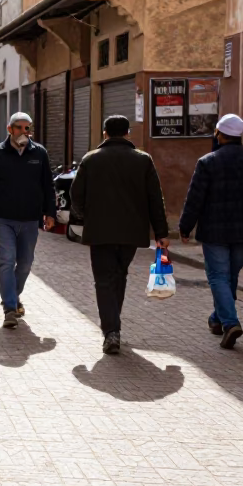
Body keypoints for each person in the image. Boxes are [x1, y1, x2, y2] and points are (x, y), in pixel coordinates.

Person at [70, 116, 170, 355]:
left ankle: (111, 331)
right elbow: (156, 199)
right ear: (127, 133)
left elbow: (75, 197)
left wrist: (87, 216)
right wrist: (161, 232)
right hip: (131, 232)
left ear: (105, 133)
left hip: (100, 231)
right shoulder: (143, 160)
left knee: (104, 280)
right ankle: (113, 327)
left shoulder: (90, 160)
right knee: (119, 275)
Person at [177, 114, 243, 350]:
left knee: (218, 276)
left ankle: (230, 322)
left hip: (215, 231)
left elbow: (194, 199)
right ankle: (217, 319)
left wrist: (185, 227)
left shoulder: (207, 162)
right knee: (229, 276)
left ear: (220, 134)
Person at [0, 113, 56, 329]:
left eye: (27, 128)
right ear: (9, 129)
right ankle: (10, 308)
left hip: (30, 219)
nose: (23, 132)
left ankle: (12, 295)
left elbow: (48, 185)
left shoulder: (39, 153)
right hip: (3, 218)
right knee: (6, 261)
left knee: (26, 263)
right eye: (19, 128)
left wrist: (50, 212)